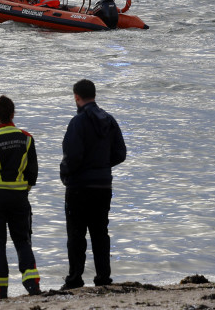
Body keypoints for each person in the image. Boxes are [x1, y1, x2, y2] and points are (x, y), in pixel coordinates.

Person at [0, 95, 42, 299]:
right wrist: (25, 188)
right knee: (23, 241)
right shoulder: (27, 139)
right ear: (13, 114)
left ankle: (0, 290)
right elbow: (33, 172)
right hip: (19, 198)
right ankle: (31, 285)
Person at [60, 79, 126, 290]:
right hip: (103, 186)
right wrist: (102, 166)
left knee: (76, 234)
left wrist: (66, 174)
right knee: (100, 232)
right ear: (94, 95)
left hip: (79, 186)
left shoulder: (77, 123)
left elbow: (73, 156)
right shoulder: (109, 120)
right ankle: (103, 278)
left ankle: (75, 279)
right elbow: (120, 153)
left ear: (76, 97)